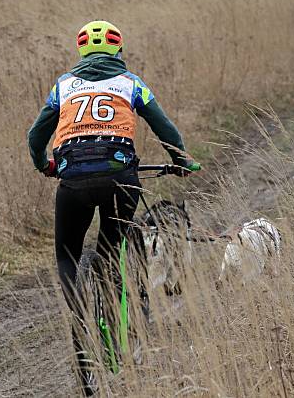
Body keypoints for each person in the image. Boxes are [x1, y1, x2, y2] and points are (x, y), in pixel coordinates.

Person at [27, 20, 200, 395]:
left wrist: (45, 165)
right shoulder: (131, 83)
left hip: (72, 183)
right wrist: (181, 159)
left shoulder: (63, 85)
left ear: (82, 54)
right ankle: (113, 308)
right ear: (118, 52)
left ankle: (79, 315)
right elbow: (165, 128)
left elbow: (35, 136)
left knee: (67, 257)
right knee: (111, 249)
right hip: (121, 181)